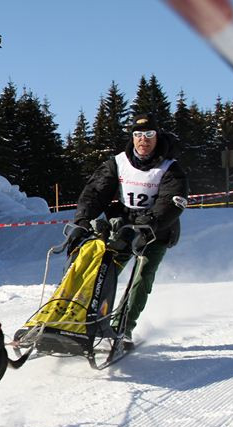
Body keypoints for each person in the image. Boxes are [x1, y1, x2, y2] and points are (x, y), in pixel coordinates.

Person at [65, 113, 188, 348]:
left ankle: (123, 327)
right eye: (138, 135)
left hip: (156, 231)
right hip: (124, 228)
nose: (144, 140)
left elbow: (172, 202)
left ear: (157, 136)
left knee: (142, 277)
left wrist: (149, 224)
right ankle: (81, 320)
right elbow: (95, 192)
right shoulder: (118, 163)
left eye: (149, 135)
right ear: (132, 138)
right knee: (102, 270)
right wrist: (82, 220)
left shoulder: (170, 168)